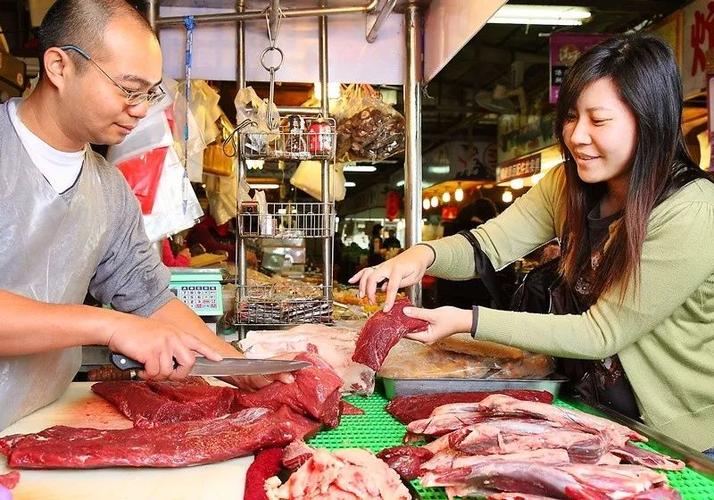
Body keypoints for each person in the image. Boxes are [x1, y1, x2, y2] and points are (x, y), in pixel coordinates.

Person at [351, 34, 714, 454]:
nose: (577, 136)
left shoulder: (692, 210)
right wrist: (421, 255)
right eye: (572, 117)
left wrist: (468, 320)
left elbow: (601, 333)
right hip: (592, 414)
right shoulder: (567, 185)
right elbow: (487, 246)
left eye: (599, 120)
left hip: (678, 438)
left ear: (650, 121)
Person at [0, 0, 288, 431]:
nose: (140, 108)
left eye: (150, 92)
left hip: (35, 421)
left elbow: (149, 297)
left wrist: (239, 368)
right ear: (59, 66)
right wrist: (112, 327)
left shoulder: (111, 190)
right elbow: (121, 319)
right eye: (128, 88)